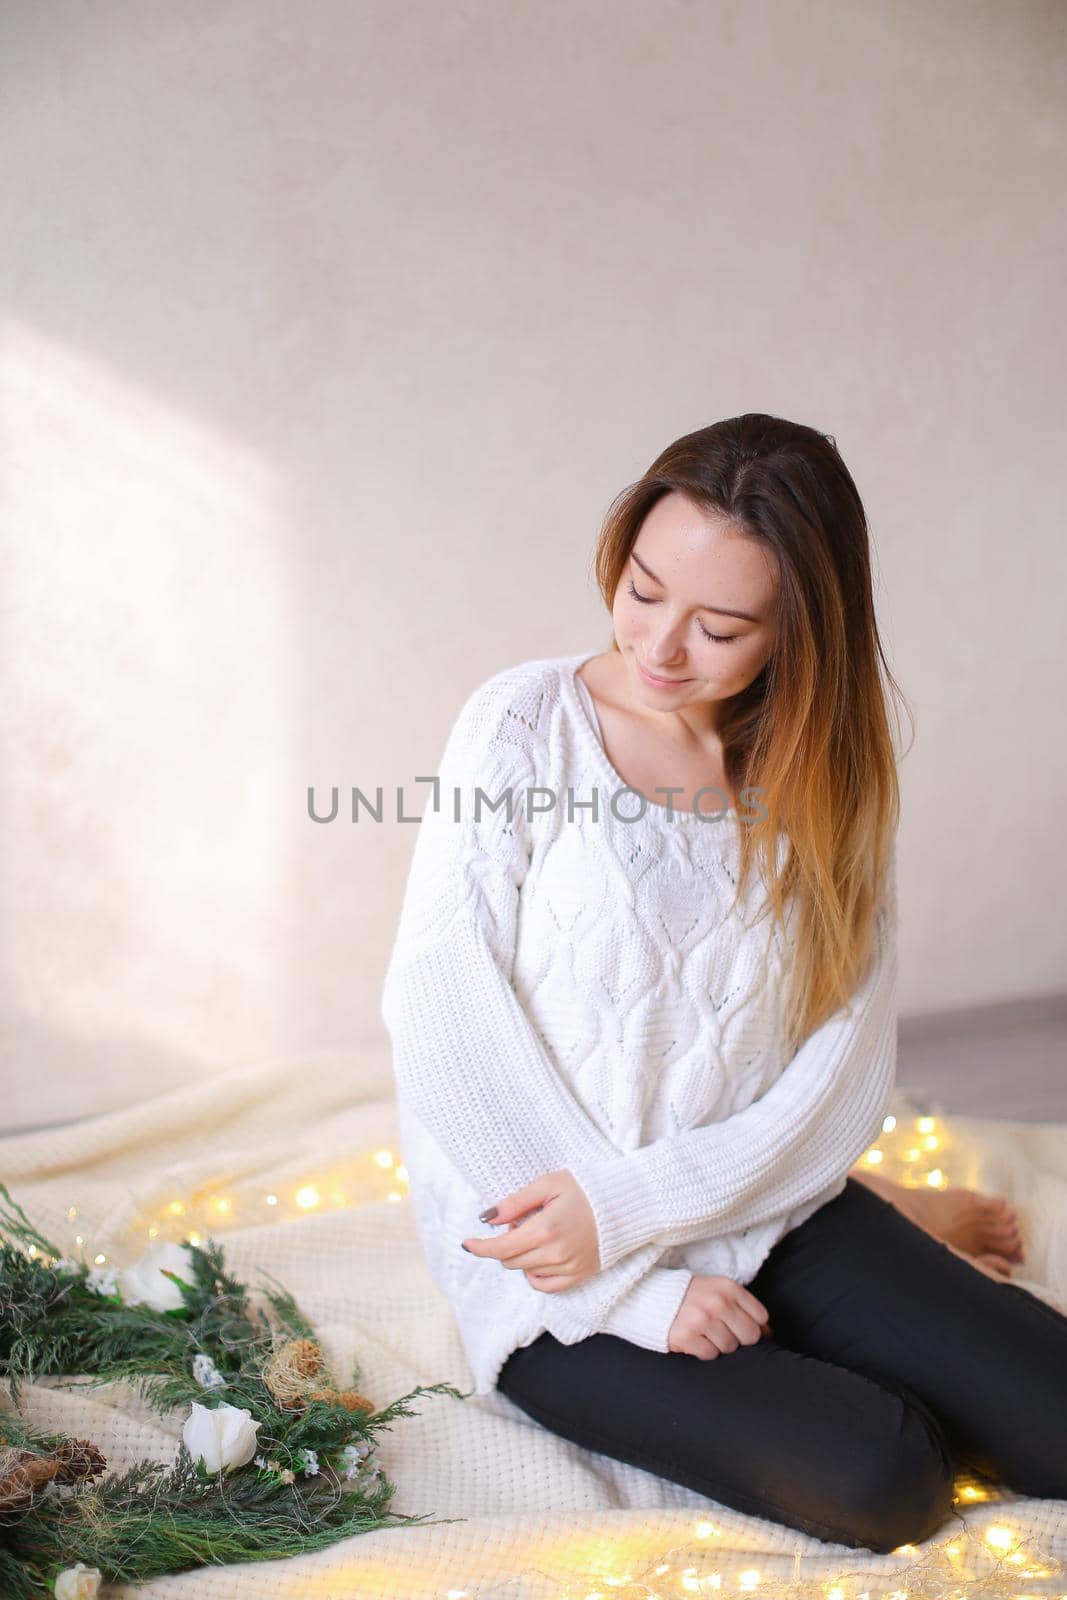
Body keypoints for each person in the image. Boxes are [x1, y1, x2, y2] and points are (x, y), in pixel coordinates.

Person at [380, 413, 1067, 1554]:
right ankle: (890, 1221)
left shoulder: (825, 774)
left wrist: (656, 1203)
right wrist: (628, 1282)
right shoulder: (520, 726)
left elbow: (842, 1067)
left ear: (800, 630)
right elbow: (438, 1006)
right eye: (642, 590)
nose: (657, 646)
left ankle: (881, 1208)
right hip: (553, 1252)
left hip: (754, 1204)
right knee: (887, 1477)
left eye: (717, 625)